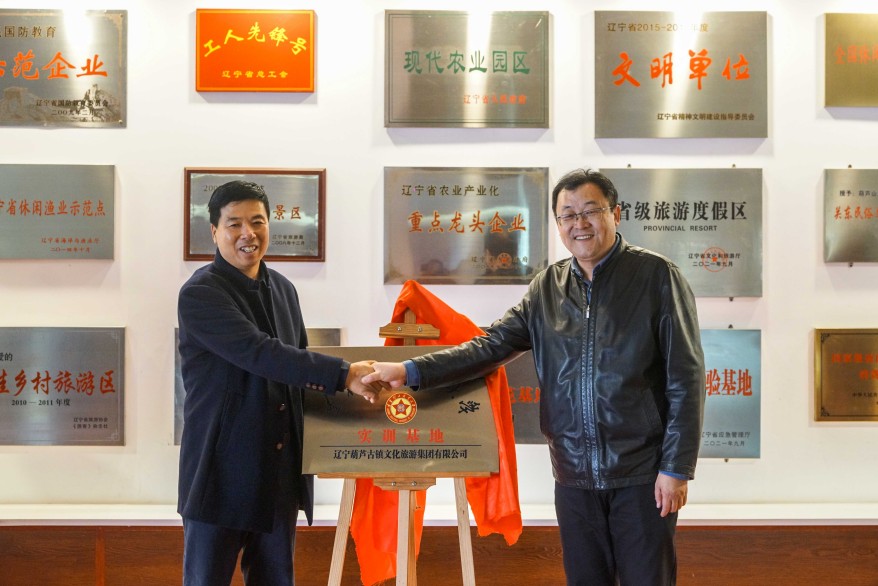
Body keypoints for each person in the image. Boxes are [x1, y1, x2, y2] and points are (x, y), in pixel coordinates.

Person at [363, 168, 705, 585]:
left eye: (590, 211)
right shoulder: (547, 287)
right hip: (573, 476)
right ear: (558, 224)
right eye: (568, 215)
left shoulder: (656, 277)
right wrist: (409, 370)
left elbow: (685, 377)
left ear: (615, 214)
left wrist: (676, 467)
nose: (579, 223)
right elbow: (489, 347)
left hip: (642, 475)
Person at [177, 180, 381, 586]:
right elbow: (261, 354)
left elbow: (297, 373)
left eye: (257, 222)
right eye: (234, 224)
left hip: (277, 475)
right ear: (214, 231)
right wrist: (345, 374)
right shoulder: (200, 293)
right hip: (220, 475)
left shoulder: (284, 290)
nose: (248, 233)